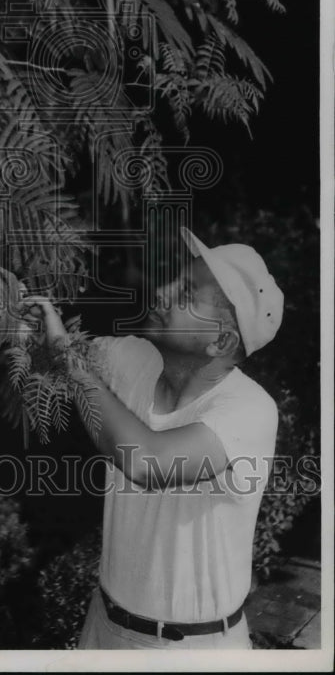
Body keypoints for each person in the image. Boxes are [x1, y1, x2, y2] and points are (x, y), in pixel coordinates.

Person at [22, 225, 283, 650]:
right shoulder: (134, 359)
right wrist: (17, 309)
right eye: (176, 279)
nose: (162, 291)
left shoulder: (250, 411)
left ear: (221, 341)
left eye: (185, 295)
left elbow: (146, 462)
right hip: (103, 627)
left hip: (190, 650)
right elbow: (55, 353)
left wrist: (65, 356)